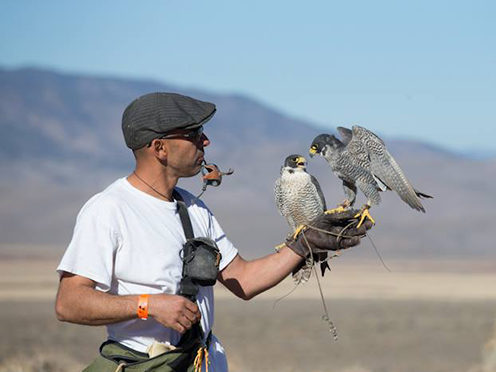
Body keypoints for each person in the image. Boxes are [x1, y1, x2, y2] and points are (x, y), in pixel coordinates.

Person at [54, 92, 372, 372]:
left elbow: (243, 280)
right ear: (160, 148)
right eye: (194, 133)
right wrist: (148, 305)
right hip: (147, 364)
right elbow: (69, 303)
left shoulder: (193, 209)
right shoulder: (109, 209)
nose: (205, 141)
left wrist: (305, 243)